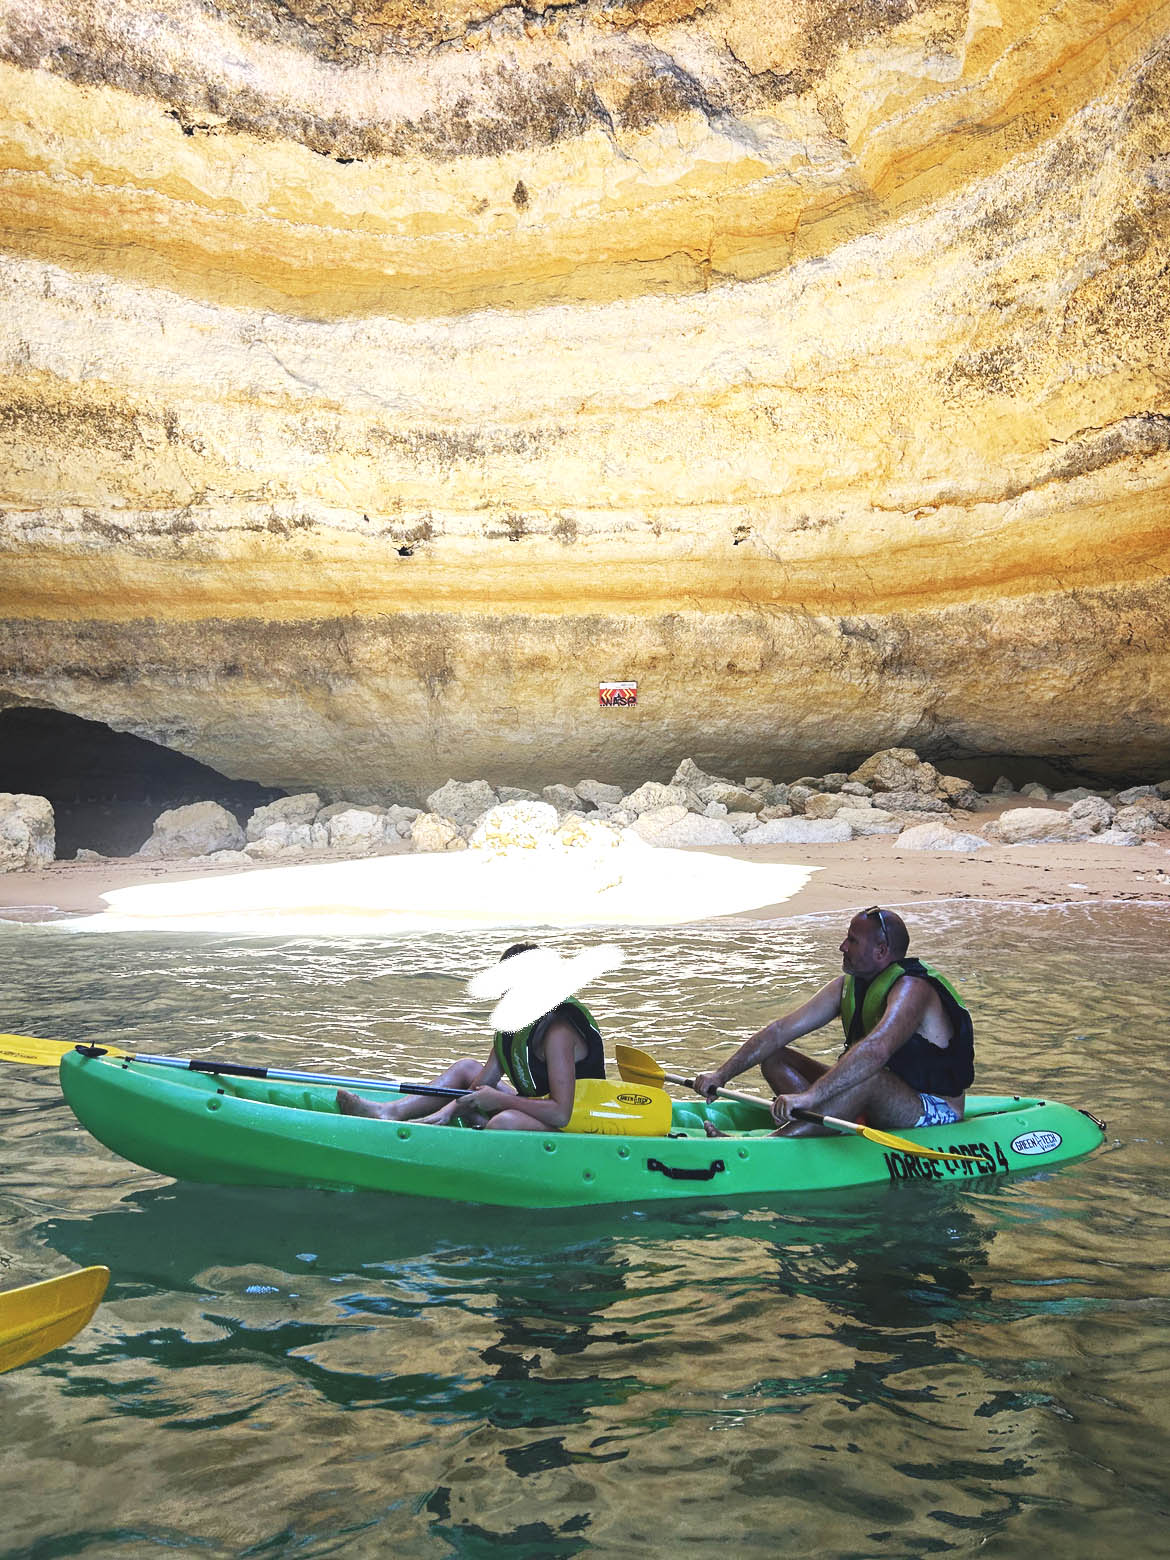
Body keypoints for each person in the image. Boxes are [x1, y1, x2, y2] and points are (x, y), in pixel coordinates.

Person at [693, 907, 974, 1135]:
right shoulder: (847, 986)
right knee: (775, 1057)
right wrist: (722, 1075)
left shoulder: (913, 990)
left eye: (853, 940)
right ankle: (825, 1124)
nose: (842, 946)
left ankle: (773, 1144)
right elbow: (780, 1031)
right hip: (870, 1095)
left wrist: (811, 1097)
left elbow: (876, 1050)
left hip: (931, 1107)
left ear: (880, 950)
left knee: (869, 1076)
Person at [337, 942, 618, 1131]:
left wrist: (499, 1100)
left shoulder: (558, 1032)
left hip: (580, 1121)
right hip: (539, 1106)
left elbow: (561, 1114)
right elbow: (482, 1083)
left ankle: (480, 1134)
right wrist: (449, 1110)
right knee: (466, 1068)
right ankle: (390, 1112)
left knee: (505, 1120)